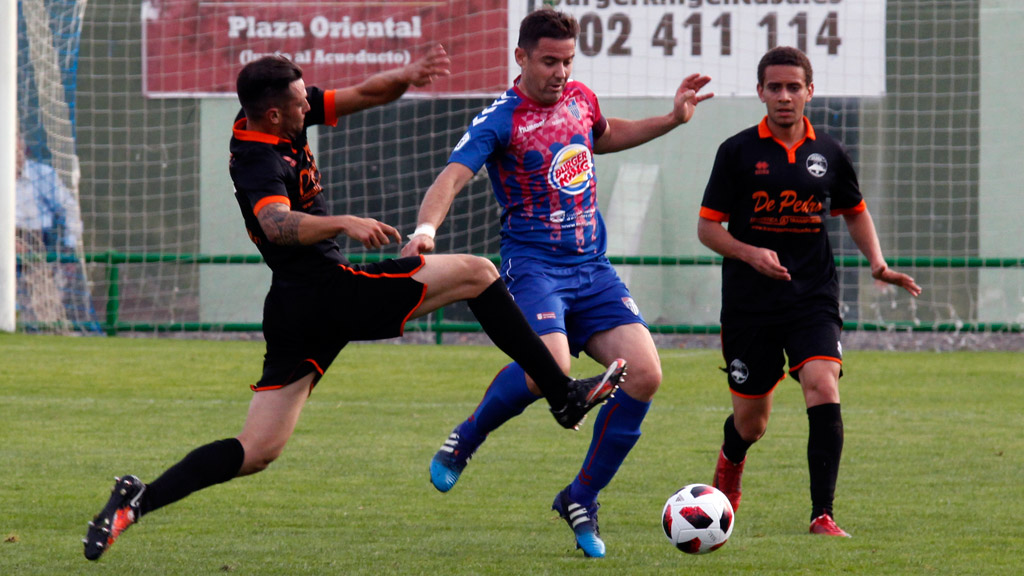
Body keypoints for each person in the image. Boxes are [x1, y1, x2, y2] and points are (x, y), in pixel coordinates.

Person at [82, 45, 627, 562]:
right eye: (300, 102)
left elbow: (362, 94)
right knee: (479, 273)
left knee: (258, 448)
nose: (310, 103)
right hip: (329, 291)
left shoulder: (276, 114)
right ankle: (562, 395)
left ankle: (136, 500)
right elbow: (277, 225)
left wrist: (406, 77)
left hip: (296, 308)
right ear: (274, 115)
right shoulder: (255, 158)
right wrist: (343, 221)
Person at [401, 9, 712, 558]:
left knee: (645, 374)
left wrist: (671, 119)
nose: (561, 71)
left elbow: (605, 137)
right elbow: (451, 176)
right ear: (520, 58)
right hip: (535, 269)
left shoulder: (581, 99)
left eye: (567, 61)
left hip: (593, 270)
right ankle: (465, 439)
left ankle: (581, 497)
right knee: (555, 370)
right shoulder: (501, 118)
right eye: (549, 61)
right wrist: (425, 230)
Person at [697, 46, 922, 537]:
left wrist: (878, 264)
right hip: (749, 304)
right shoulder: (737, 151)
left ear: (809, 91)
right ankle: (730, 464)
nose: (784, 96)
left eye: (793, 87)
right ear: (760, 92)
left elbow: (855, 209)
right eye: (774, 87)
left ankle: (823, 514)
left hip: (812, 296)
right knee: (752, 423)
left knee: (823, 384)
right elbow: (708, 229)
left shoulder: (831, 153)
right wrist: (749, 252)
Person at [15, 128, 87, 325]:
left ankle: (48, 326)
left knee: (45, 306)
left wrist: (69, 246)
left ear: (24, 149)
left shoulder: (42, 176)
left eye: (17, 149)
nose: (14, 156)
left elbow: (69, 209)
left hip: (37, 244)